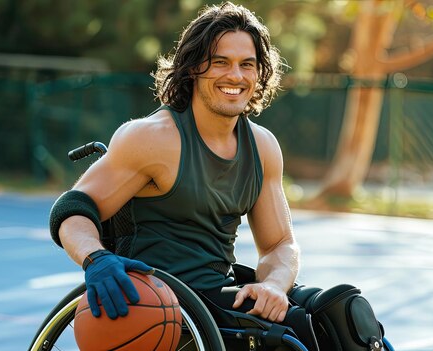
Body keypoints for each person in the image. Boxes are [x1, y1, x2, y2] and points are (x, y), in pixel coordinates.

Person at [49, 2, 385, 350]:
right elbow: (73, 208)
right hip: (163, 299)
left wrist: (272, 286)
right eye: (220, 62)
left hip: (218, 293)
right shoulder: (152, 139)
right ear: (193, 67)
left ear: (259, 74)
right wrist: (96, 258)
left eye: (247, 65)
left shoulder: (262, 146)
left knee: (344, 315)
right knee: (291, 337)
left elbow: (279, 245)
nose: (235, 76)